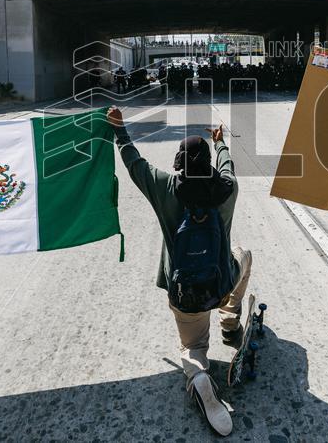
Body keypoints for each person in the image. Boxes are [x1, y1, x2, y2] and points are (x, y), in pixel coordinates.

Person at [106, 106, 251, 437]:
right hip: (222, 283)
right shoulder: (227, 189)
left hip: (186, 296)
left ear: (179, 164)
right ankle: (230, 321)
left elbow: (135, 165)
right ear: (209, 165)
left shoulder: (166, 187)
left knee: (193, 348)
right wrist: (221, 143)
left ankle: (199, 376)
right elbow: (227, 167)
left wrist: (119, 130)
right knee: (244, 256)